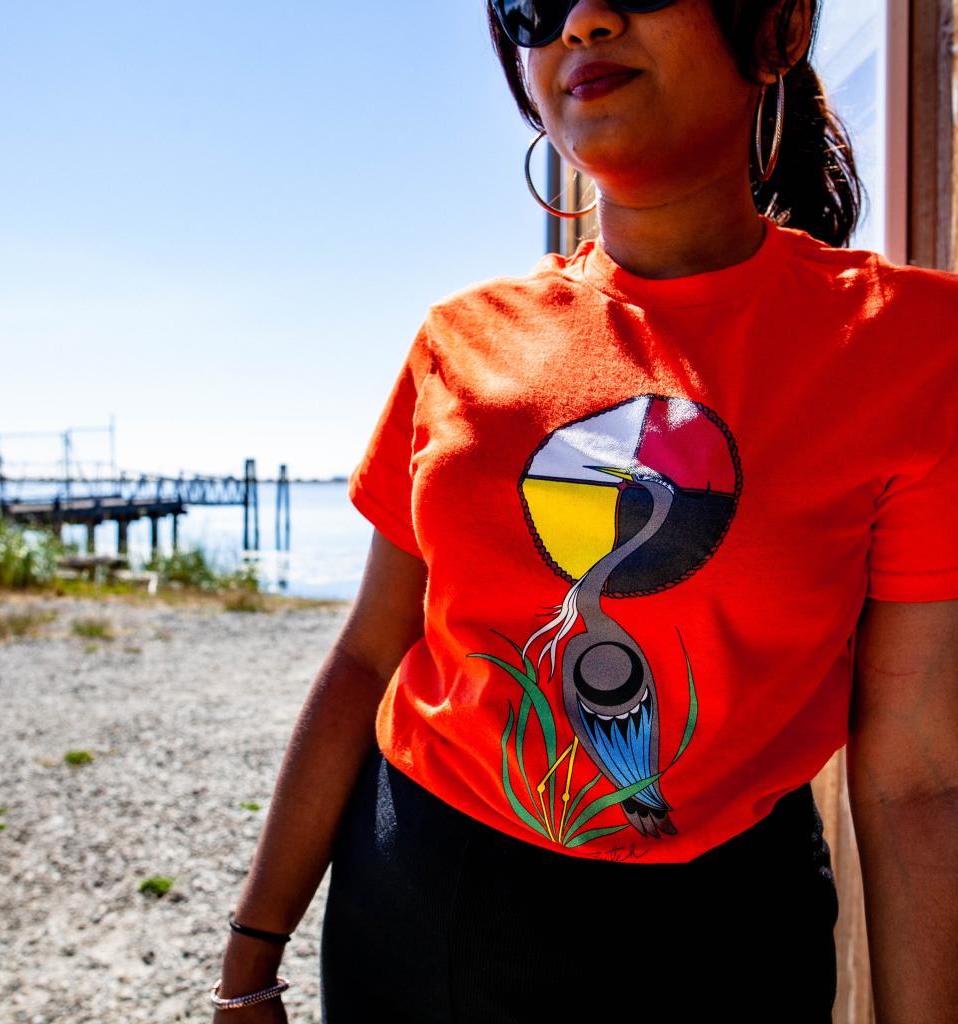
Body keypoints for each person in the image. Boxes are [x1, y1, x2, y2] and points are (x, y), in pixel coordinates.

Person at [209, 1, 958, 1021]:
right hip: (427, 909)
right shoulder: (459, 340)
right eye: (532, 0)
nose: (583, 18)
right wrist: (254, 952)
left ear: (777, 28)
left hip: (729, 938)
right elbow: (366, 657)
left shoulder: (910, 350)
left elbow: (913, 771)